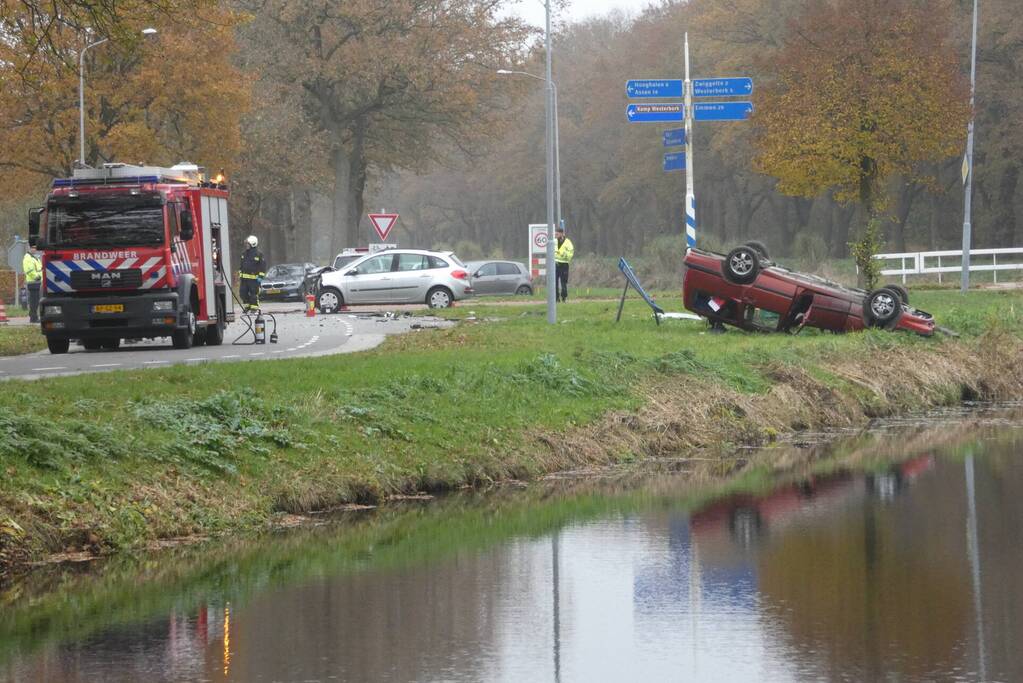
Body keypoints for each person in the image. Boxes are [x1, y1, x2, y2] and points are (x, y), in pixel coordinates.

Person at [239, 235, 266, 312]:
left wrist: (260, 277)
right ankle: (247, 306)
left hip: (254, 280)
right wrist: (240, 272)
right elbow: (241, 265)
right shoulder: (244, 254)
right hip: (244, 279)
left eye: (248, 244)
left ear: (253, 244)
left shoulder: (259, 254)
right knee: (242, 293)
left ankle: (254, 308)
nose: (246, 245)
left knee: (254, 294)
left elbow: (262, 266)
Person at [22, 245, 42, 323]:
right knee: (34, 302)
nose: (34, 249)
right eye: (33, 248)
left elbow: (39, 268)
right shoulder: (28, 258)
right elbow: (29, 270)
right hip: (33, 282)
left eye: (35, 248)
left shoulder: (34, 257)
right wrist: (36, 277)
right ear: (29, 248)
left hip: (36, 282)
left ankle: (33, 316)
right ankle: (33, 318)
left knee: (35, 301)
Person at [554, 226, 574, 303]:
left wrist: (565, 255)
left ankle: (564, 297)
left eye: (557, 234)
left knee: (563, 282)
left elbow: (571, 253)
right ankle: (556, 298)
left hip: (564, 265)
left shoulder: (568, 242)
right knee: (554, 282)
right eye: (555, 234)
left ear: (562, 234)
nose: (556, 235)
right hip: (555, 264)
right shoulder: (554, 241)